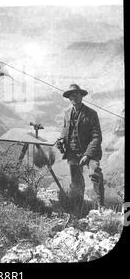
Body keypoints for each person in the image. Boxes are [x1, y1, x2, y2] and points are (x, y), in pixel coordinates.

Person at [56, 84, 104, 216]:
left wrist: (88, 155)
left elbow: (96, 137)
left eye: (77, 95)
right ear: (69, 98)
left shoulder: (91, 114)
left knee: (95, 174)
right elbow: (65, 131)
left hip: (90, 153)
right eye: (71, 96)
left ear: (82, 96)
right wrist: (61, 140)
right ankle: (78, 209)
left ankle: (101, 206)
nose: (74, 98)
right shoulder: (67, 113)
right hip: (72, 153)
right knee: (76, 183)